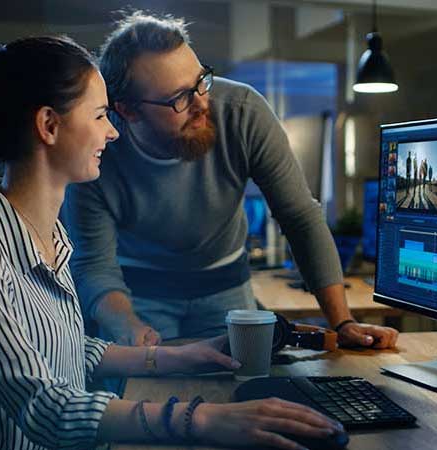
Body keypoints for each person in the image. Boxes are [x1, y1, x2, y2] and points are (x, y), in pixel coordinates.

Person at [0, 36, 343, 450]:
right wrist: (202, 418)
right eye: (100, 116)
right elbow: (45, 407)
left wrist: (184, 355)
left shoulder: (48, 235)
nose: (113, 132)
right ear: (49, 126)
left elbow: (60, 351)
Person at [63, 12, 399, 349]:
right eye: (179, 98)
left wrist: (342, 321)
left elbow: (300, 216)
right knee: (150, 389)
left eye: (201, 81)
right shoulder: (96, 146)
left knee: (241, 383)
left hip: (226, 285)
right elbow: (94, 264)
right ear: (128, 111)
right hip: (138, 293)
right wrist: (128, 326)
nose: (202, 104)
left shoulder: (242, 110)